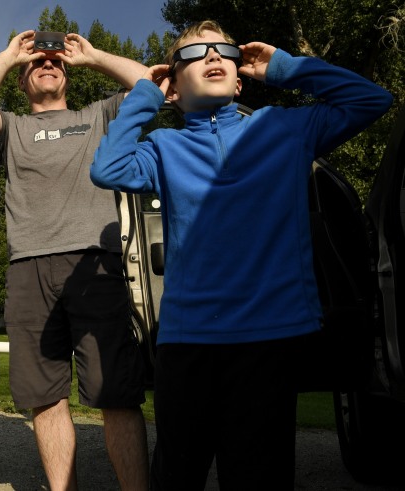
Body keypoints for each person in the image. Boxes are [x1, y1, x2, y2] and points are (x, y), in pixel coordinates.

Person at [90, 20, 393, 490]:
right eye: (194, 54)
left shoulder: (286, 130)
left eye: (223, 50)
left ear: (239, 75)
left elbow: (373, 100)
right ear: (174, 87)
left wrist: (285, 68)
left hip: (271, 342)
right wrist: (145, 96)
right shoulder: (163, 148)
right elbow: (108, 167)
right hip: (187, 344)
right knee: (176, 476)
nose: (212, 57)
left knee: (258, 479)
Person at [0, 30, 150, 490]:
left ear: (69, 76)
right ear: (20, 83)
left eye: (56, 63)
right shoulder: (11, 129)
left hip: (95, 266)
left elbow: (152, 87)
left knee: (116, 394)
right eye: (36, 64)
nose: (48, 65)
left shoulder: (98, 115)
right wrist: (7, 56)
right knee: (45, 397)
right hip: (28, 270)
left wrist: (93, 56)